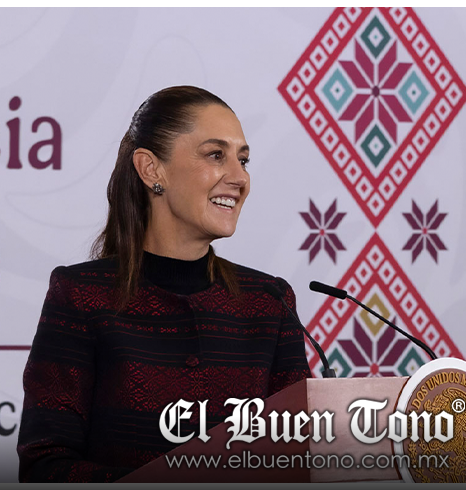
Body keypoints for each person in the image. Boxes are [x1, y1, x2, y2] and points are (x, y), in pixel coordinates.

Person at [16, 86, 311, 482]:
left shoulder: (270, 302)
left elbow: (297, 460)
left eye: (243, 160)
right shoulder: (82, 295)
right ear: (151, 170)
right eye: (216, 155)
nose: (240, 177)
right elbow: (44, 467)